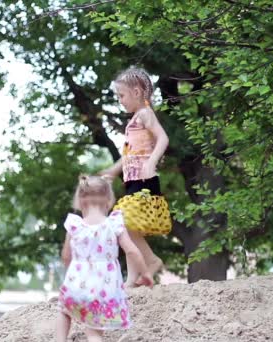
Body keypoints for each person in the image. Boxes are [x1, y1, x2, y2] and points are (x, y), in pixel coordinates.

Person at [55, 175, 153, 342]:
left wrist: (71, 277)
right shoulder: (113, 223)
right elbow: (132, 251)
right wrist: (145, 273)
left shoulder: (74, 224)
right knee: (93, 334)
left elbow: (66, 256)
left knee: (64, 312)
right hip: (103, 291)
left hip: (76, 286)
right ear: (108, 199)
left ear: (80, 200)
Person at [100, 66, 172, 278]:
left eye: (122, 95)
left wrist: (152, 162)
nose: (120, 100)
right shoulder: (134, 121)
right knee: (128, 230)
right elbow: (129, 155)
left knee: (123, 223)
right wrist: (113, 171)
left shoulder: (145, 114)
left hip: (145, 180)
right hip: (133, 181)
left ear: (137, 92)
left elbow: (163, 138)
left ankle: (151, 261)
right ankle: (132, 278)